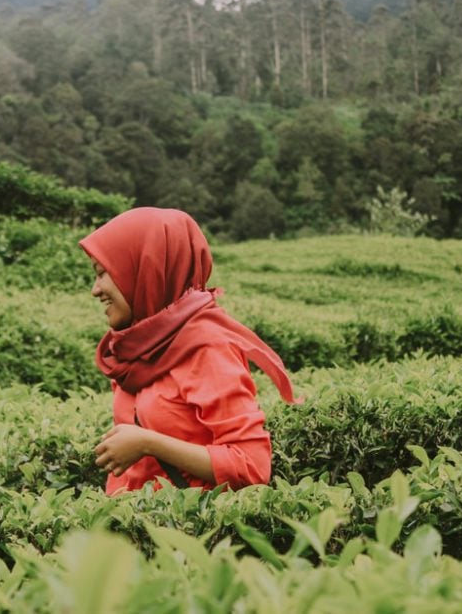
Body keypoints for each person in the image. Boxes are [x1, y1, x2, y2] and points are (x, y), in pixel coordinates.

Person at [80, 207, 301, 495]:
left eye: (102, 273)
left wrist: (148, 443)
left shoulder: (207, 348)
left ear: (145, 270)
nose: (95, 290)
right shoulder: (136, 348)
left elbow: (251, 465)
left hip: (189, 534)